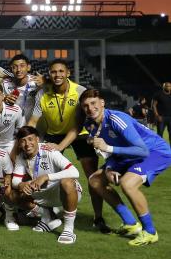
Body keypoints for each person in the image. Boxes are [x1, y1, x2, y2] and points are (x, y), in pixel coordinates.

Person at [81, 89, 171, 246]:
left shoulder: (116, 119)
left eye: (93, 103)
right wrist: (109, 169)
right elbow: (109, 154)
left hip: (155, 152)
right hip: (127, 156)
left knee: (127, 184)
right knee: (95, 180)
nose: (90, 108)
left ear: (102, 103)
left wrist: (108, 148)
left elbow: (142, 151)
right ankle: (130, 223)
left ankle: (150, 232)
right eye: (85, 106)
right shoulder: (90, 124)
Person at [27, 59, 104, 232]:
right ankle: (49, 215)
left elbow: (77, 126)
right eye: (54, 72)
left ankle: (98, 217)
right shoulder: (43, 93)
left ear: (68, 73)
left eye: (61, 71)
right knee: (41, 172)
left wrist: (60, 147)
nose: (58, 75)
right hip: (53, 133)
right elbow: (33, 120)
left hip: (79, 134)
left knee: (93, 178)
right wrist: (25, 137)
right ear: (49, 74)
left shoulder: (79, 91)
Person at [9, 126, 82, 245]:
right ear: (19, 144)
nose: (27, 144)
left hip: (63, 192)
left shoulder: (49, 150)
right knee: (12, 194)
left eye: (30, 139)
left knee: (67, 182)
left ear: (37, 139)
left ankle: (68, 229)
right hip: (43, 195)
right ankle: (47, 217)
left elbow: (75, 172)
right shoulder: (21, 157)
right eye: (23, 141)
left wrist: (46, 176)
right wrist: (22, 184)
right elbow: (15, 181)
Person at [2, 54, 42, 121]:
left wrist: (45, 83)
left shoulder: (36, 82)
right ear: (11, 68)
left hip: (32, 122)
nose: (19, 70)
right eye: (15, 67)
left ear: (28, 67)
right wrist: (4, 99)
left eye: (22, 66)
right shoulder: (5, 84)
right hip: (13, 122)